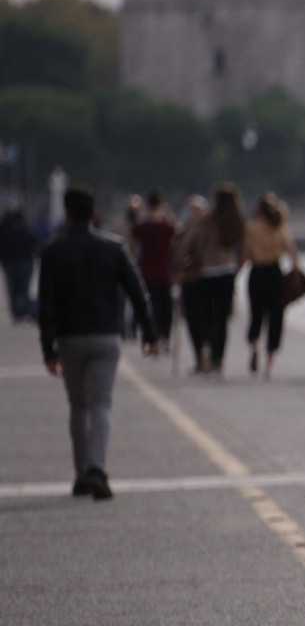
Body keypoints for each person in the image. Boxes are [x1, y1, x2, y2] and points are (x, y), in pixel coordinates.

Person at [38, 185, 158, 500]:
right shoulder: (113, 247)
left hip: (70, 337)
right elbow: (138, 292)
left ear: (66, 214)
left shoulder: (52, 252)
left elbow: (46, 306)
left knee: (78, 405)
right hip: (106, 334)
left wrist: (48, 349)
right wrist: (149, 332)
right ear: (94, 213)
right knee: (101, 403)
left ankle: (81, 475)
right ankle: (97, 469)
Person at [175, 184, 244, 375]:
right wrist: (236, 269)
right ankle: (218, 359)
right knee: (222, 319)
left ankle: (206, 349)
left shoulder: (206, 220)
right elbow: (243, 247)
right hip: (227, 272)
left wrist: (179, 265)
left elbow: (188, 243)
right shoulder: (236, 221)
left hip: (206, 273)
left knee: (205, 316)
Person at [243, 192, 302, 378]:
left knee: (256, 313)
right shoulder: (280, 227)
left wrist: (235, 273)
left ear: (259, 210)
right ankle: (269, 362)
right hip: (275, 273)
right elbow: (292, 253)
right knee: (276, 317)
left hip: (257, 273)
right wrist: (296, 273)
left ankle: (254, 344)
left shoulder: (252, 228)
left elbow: (245, 254)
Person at [129, 191, 177, 351]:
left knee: (152, 305)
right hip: (164, 270)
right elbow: (173, 246)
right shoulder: (167, 225)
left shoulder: (142, 225)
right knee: (166, 307)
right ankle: (165, 336)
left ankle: (153, 335)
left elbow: (133, 246)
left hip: (147, 270)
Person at [173, 195, 210, 373]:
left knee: (205, 319)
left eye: (197, 210)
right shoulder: (183, 230)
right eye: (191, 210)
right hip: (188, 279)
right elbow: (177, 254)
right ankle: (198, 357)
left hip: (205, 279)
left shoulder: (209, 230)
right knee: (192, 319)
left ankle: (208, 354)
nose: (193, 214)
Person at [0, 207, 39, 323]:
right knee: (23, 288)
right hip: (26, 261)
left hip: (10, 263)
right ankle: (21, 311)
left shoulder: (4, 229)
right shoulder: (26, 228)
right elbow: (35, 243)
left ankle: (16, 311)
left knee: (12, 288)